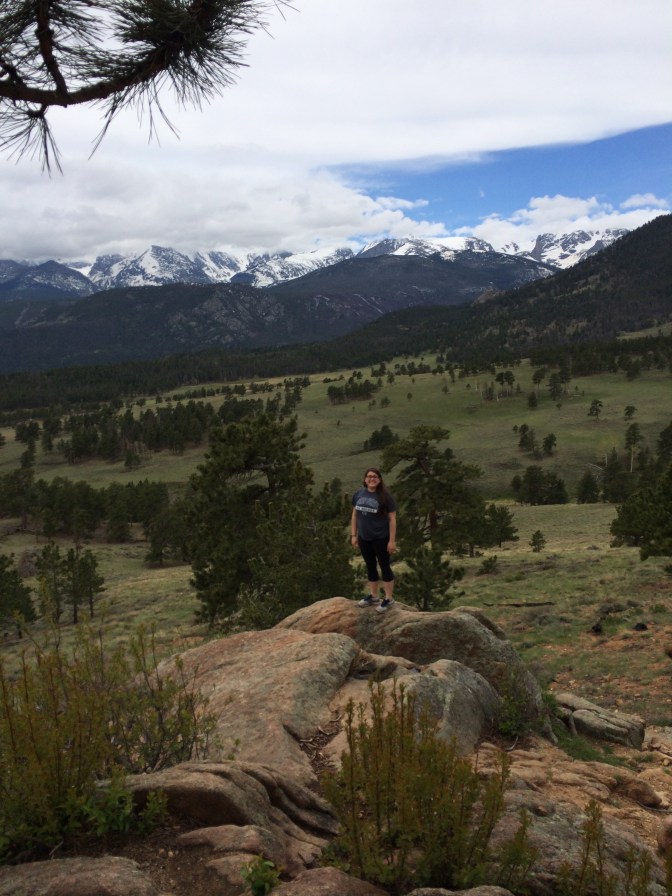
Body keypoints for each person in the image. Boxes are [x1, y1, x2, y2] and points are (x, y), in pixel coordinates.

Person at [351, 467, 397, 611]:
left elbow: (392, 519)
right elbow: (355, 515)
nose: (372, 479)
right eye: (369, 476)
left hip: (381, 538)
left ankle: (389, 599)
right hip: (364, 537)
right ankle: (374, 596)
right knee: (370, 565)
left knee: (384, 566)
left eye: (375, 476)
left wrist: (392, 541)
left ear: (379, 479)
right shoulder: (358, 493)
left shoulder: (385, 497)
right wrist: (354, 535)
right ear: (365, 479)